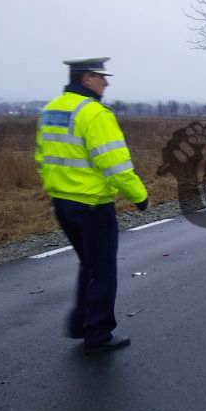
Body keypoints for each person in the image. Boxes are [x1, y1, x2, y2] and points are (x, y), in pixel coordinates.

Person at [35, 58, 148, 353]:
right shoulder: (94, 113)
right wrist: (139, 196)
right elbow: (115, 163)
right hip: (93, 206)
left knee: (90, 264)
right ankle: (97, 335)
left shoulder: (51, 110)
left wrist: (55, 190)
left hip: (63, 204)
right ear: (86, 78)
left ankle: (79, 322)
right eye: (101, 77)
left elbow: (42, 157)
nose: (106, 83)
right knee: (103, 270)